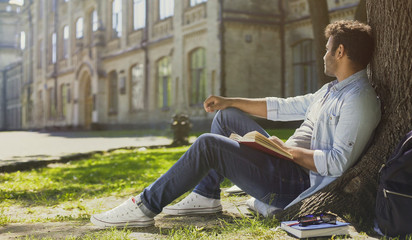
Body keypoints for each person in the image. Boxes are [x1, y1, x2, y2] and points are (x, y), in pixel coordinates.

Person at [90, 20, 381, 228]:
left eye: (328, 49)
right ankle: (206, 196)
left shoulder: (358, 99)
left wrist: (288, 151)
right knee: (224, 117)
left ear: (340, 52)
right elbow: (282, 107)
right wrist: (230, 101)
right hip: (285, 163)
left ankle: (144, 206)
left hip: (294, 183)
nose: (324, 55)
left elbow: (338, 163)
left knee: (207, 144)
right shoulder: (331, 90)